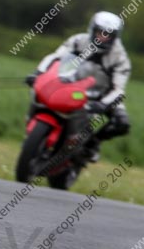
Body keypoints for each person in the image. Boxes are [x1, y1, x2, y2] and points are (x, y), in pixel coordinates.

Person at [34, 11, 131, 162]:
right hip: (73, 87)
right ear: (93, 30)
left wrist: (103, 104)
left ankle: (93, 143)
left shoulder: (120, 57)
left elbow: (118, 89)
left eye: (108, 35)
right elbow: (56, 57)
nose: (103, 38)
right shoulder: (78, 40)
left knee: (122, 123)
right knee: (41, 95)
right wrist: (39, 72)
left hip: (102, 95)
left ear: (115, 36)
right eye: (100, 32)